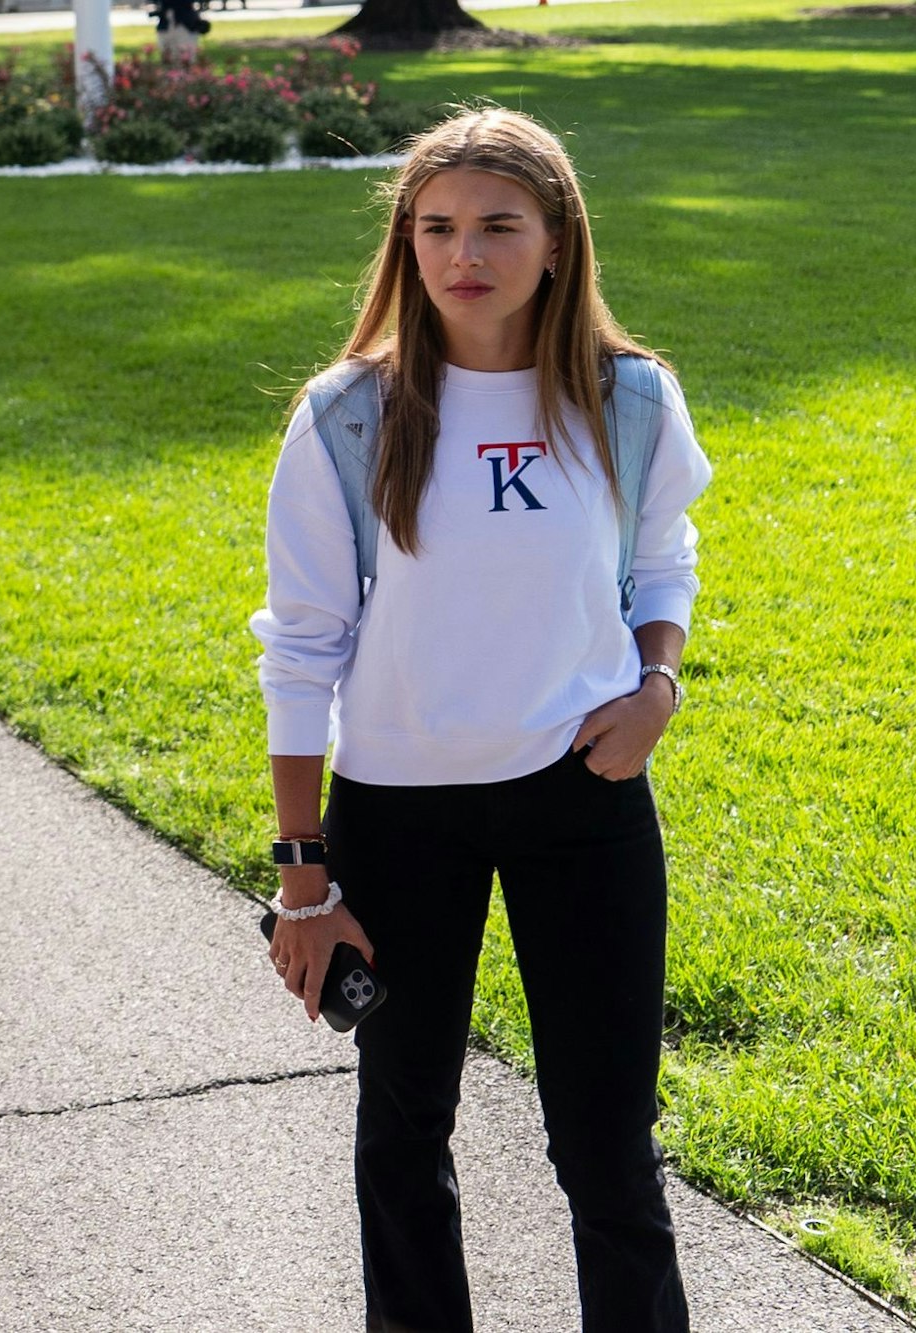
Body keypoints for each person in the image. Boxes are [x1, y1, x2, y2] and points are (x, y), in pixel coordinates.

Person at [252, 107, 710, 1333]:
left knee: (607, 1143)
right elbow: (299, 651)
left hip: (583, 797)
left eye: (498, 225)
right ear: (404, 242)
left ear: (556, 240)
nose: (464, 253)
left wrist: (654, 689)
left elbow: (661, 562)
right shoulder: (347, 415)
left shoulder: (627, 400)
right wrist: (304, 875)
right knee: (403, 1133)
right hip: (398, 817)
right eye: (436, 226)